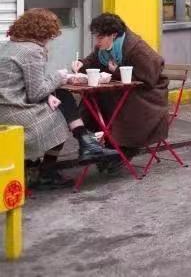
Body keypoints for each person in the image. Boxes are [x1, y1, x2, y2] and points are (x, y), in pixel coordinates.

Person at [0, 10, 116, 189]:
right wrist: (59, 76)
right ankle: (49, 170)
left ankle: (85, 143)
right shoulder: (32, 50)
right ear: (42, 32)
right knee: (62, 117)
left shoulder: (9, 46)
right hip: (16, 112)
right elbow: (35, 93)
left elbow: (23, 84)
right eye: (51, 35)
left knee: (61, 96)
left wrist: (49, 94)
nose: (51, 39)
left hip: (6, 107)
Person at [73, 13, 171, 158]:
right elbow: (92, 60)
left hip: (149, 94)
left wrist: (117, 71)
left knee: (121, 100)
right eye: (96, 37)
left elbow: (150, 75)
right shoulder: (103, 49)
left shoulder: (137, 48)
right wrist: (81, 63)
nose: (97, 42)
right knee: (92, 97)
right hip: (124, 90)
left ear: (113, 35)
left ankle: (123, 147)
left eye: (100, 38)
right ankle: (92, 138)